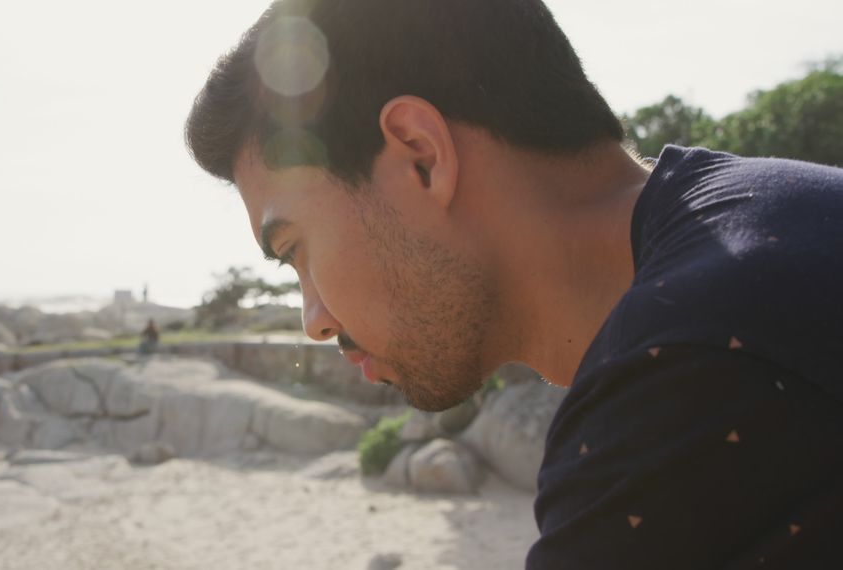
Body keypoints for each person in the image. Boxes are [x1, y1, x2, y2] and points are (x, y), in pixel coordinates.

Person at [183, 0, 843, 567]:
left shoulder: (684, 372)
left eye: (297, 249)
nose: (316, 320)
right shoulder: (778, 209)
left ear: (420, 155)